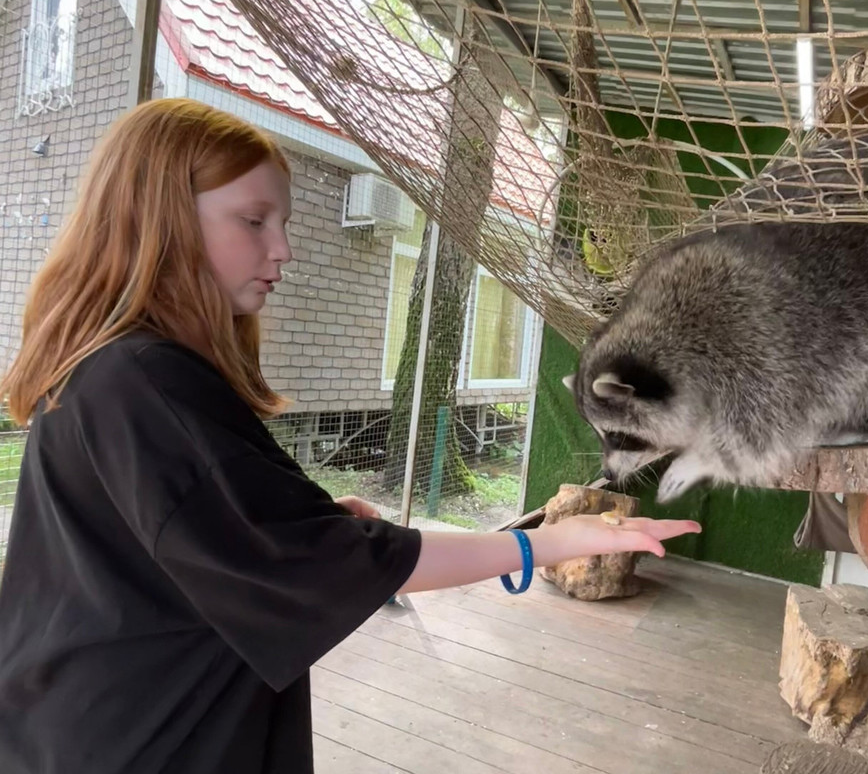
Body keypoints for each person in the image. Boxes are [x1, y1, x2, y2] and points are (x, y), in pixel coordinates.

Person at [0, 99, 701, 774]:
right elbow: (322, 561)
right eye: (254, 220)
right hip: (145, 737)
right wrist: (545, 541)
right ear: (161, 219)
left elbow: (172, 538)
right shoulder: (146, 378)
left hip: (83, 717)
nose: (283, 249)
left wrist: (299, 522)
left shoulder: (109, 368)